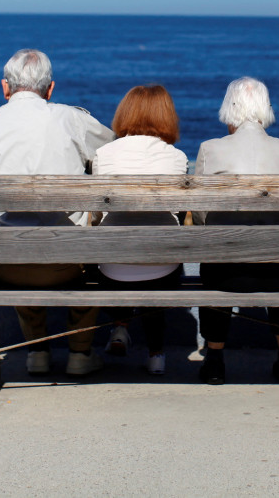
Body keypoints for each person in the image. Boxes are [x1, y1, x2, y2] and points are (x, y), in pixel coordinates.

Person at [0, 48, 114, 378]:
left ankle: (38, 352)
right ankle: (80, 354)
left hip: (4, 265)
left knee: (12, 232)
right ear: (50, 88)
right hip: (68, 265)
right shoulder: (74, 120)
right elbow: (115, 157)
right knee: (85, 237)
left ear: (5, 87)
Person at [192, 77, 279, 385]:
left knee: (214, 255)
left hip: (226, 271)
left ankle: (214, 360)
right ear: (265, 109)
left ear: (230, 108)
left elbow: (201, 212)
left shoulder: (210, 149)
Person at [91, 85, 188, 376]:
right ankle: (156, 354)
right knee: (158, 257)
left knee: (117, 250)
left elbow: (96, 215)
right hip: (161, 267)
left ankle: (120, 328)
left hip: (112, 269)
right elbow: (179, 214)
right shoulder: (177, 158)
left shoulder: (103, 154)